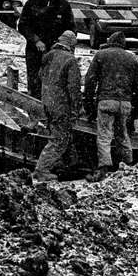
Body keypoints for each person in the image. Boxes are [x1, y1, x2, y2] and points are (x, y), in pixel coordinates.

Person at [83, 31, 138, 181]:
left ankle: (104, 168)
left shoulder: (101, 55)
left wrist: (89, 105)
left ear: (110, 41)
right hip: (125, 103)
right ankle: (129, 166)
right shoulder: (131, 58)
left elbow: (90, 81)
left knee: (104, 136)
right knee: (123, 135)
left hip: (106, 101)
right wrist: (135, 110)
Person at [33, 30, 82, 183]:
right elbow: (73, 88)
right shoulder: (70, 60)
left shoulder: (48, 55)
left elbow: (40, 77)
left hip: (47, 102)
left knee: (60, 134)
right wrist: (76, 109)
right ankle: (41, 170)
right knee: (59, 139)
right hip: (61, 105)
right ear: (71, 45)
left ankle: (66, 165)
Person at [16, 0, 75, 99]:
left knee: (56, 78)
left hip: (57, 49)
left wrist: (61, 44)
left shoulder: (63, 5)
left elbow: (71, 28)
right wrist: (35, 40)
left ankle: (52, 101)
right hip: (35, 49)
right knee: (35, 78)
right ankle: (35, 99)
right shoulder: (32, 3)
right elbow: (23, 25)